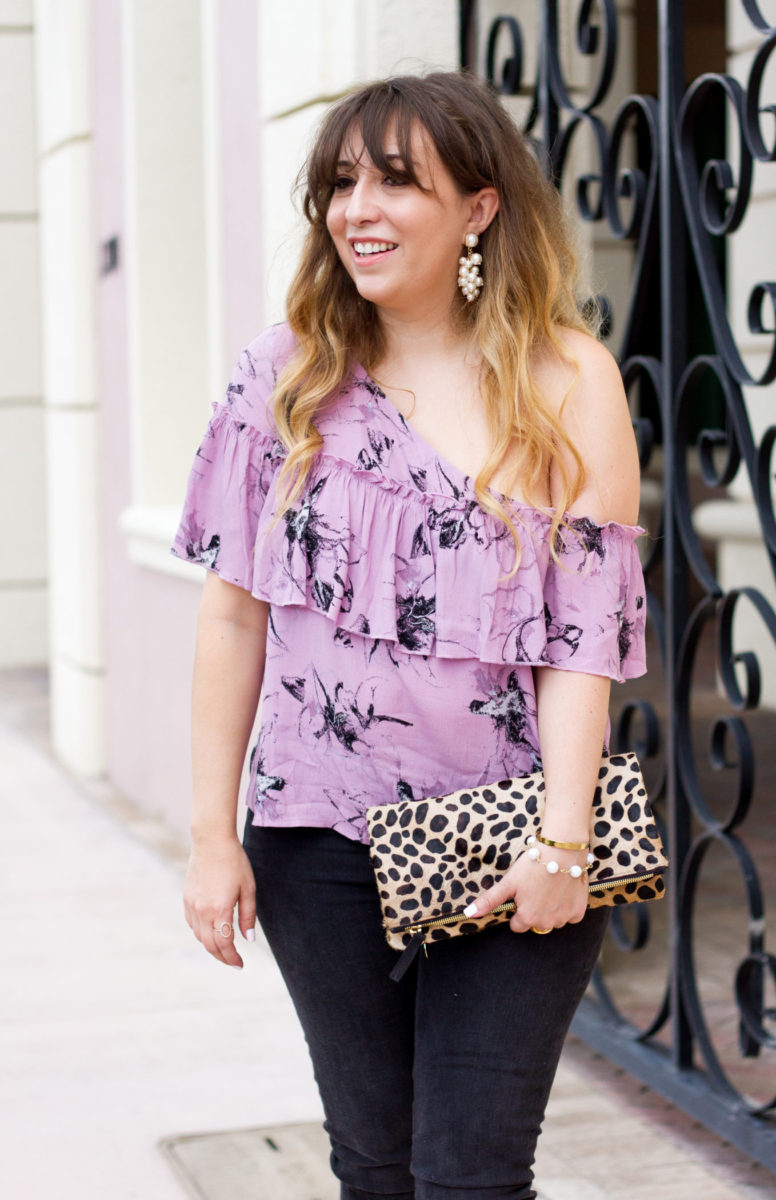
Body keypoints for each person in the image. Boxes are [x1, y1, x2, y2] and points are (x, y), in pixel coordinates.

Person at [173, 71, 645, 1200]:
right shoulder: (281, 377)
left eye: (396, 181)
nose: (358, 210)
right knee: (375, 1166)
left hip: (505, 839)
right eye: (340, 183)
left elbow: (580, 642)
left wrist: (563, 842)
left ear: (478, 206)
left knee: (472, 1178)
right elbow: (233, 615)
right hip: (312, 838)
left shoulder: (564, 381)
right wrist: (208, 835)